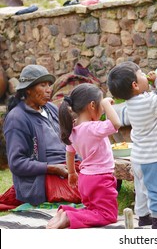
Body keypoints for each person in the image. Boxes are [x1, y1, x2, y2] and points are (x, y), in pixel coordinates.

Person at [107, 61, 157, 229]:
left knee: (141, 189)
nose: (146, 75)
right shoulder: (147, 104)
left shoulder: (134, 102)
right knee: (156, 189)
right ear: (135, 85)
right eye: (141, 74)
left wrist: (152, 86)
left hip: (139, 157)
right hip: (152, 157)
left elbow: (152, 97)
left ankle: (143, 217)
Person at [0, 65, 81, 211]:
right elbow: (17, 163)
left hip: (68, 166)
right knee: (88, 189)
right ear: (28, 90)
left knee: (105, 178)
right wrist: (53, 169)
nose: (49, 89)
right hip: (41, 177)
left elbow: (68, 138)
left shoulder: (51, 109)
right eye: (42, 85)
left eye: (49, 85)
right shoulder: (17, 119)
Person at [46, 83, 121, 229]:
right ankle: (69, 217)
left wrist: (72, 173)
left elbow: (70, 152)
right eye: (101, 105)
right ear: (92, 105)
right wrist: (107, 103)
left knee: (93, 210)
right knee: (108, 215)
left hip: (85, 179)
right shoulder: (94, 128)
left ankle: (65, 211)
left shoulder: (73, 129)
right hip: (101, 179)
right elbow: (116, 124)